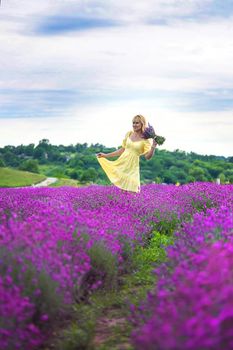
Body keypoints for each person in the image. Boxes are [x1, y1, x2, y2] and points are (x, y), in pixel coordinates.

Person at [96, 114, 157, 193]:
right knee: (122, 193)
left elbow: (147, 157)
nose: (134, 125)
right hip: (122, 164)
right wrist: (106, 155)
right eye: (133, 123)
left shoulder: (146, 140)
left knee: (133, 192)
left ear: (142, 124)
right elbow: (122, 150)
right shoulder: (129, 134)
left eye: (137, 123)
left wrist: (153, 146)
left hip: (132, 167)